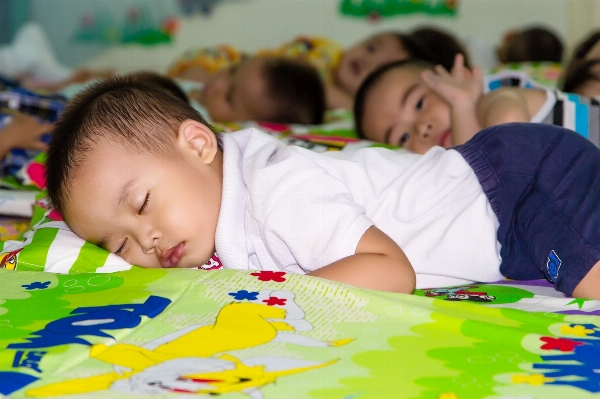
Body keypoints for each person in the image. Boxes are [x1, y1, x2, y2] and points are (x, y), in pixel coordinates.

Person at [45, 77, 600, 300]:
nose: (144, 241)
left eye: (142, 205)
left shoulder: (275, 189)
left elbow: (388, 270)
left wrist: (268, 302)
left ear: (198, 145)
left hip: (519, 185)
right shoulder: (211, 215)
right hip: (508, 233)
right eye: (118, 246)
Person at [169, 29, 469, 110]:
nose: (366, 60)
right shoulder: (326, 52)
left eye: (377, 70)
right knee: (194, 79)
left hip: (241, 82)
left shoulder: (352, 108)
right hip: (228, 60)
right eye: (370, 47)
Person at [354, 55, 600, 153]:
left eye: (419, 104)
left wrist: (462, 105)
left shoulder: (493, 99)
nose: (421, 128)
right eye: (403, 137)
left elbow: (505, 138)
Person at [185, 56, 326, 125]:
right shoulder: (197, 80)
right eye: (232, 70)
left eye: (228, 97)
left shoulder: (194, 119)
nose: (217, 83)